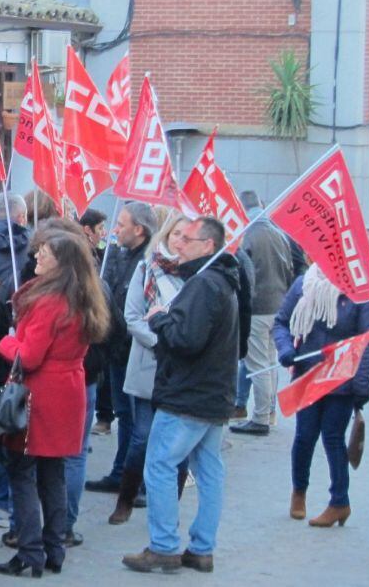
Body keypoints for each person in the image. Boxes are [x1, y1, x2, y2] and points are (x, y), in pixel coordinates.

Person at [123, 217, 239, 574]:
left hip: (190, 394)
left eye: (188, 240)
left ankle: (164, 547)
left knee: (159, 464)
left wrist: (160, 318)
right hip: (212, 393)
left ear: (208, 245)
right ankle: (202, 548)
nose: (179, 244)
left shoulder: (205, 283)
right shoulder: (224, 281)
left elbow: (186, 340)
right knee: (209, 469)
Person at [0, 233, 111, 578]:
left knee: (23, 473)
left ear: (62, 262)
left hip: (39, 393)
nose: (37, 258)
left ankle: (30, 551)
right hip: (67, 390)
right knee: (52, 473)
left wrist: (7, 340)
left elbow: (28, 357)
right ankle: (54, 548)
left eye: (45, 254)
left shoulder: (49, 301)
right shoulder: (83, 296)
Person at [273, 265, 369, 527]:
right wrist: (286, 349)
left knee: (333, 438)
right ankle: (299, 492)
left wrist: (361, 385)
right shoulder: (304, 283)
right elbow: (281, 323)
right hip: (308, 375)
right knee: (304, 436)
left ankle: (339, 502)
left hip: (341, 379)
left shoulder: (362, 293)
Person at [110, 213, 191, 526]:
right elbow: (132, 317)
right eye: (176, 234)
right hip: (151, 362)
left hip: (182, 368)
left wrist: (179, 342)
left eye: (187, 237)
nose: (180, 241)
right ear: (166, 235)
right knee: (142, 436)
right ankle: (126, 499)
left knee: (179, 443)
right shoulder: (147, 269)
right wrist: (161, 341)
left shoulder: (197, 274)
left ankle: (168, 507)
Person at [88, 202, 157, 494]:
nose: (115, 230)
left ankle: (137, 481)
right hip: (117, 351)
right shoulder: (119, 255)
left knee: (141, 423)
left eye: (121, 225)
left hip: (138, 353)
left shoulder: (152, 262)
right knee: (125, 417)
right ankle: (121, 472)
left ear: (138, 230)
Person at [232, 192, 293, 435]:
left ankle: (260, 418)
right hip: (278, 306)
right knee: (268, 363)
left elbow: (244, 274)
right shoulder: (278, 233)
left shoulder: (248, 234)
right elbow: (289, 268)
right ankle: (268, 413)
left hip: (257, 308)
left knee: (257, 365)